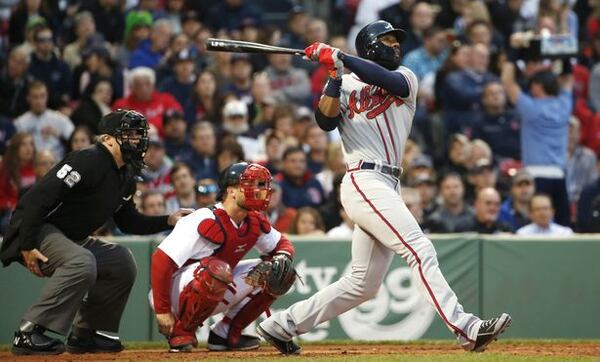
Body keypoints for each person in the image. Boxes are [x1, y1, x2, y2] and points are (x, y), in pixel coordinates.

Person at [257, 20, 511, 355]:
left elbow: (385, 79)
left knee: (362, 285)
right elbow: (325, 121)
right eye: (387, 40)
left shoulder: (406, 76)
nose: (395, 45)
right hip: (363, 178)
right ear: (370, 45)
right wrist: (334, 74)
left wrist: (338, 55)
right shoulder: (345, 82)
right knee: (419, 249)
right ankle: (466, 328)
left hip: (388, 182)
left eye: (396, 40)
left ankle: (281, 324)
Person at [0, 110, 191, 356]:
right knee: (82, 261)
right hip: (36, 229)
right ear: (108, 139)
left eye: (139, 135)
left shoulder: (126, 175)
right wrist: (26, 244)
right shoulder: (86, 160)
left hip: (69, 237)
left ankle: (87, 332)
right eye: (130, 135)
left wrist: (168, 219)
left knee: (121, 261)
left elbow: (129, 222)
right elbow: (36, 200)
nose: (137, 141)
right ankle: (29, 332)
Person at [149, 162, 295, 352]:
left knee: (277, 271)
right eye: (252, 185)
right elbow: (161, 260)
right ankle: (181, 332)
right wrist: (162, 310)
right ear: (232, 190)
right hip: (173, 292)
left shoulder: (253, 220)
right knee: (217, 269)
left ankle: (225, 334)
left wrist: (282, 257)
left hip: (214, 280)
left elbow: (282, 245)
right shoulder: (203, 219)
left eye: (261, 185)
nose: (260, 191)